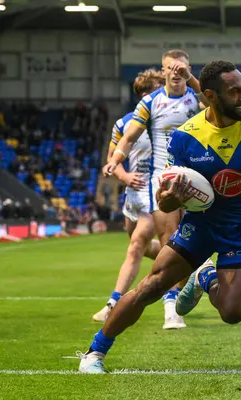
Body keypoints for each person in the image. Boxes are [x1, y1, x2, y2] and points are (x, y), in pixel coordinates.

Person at [78, 60, 241, 374]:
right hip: (199, 227)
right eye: (235, 92)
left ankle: (206, 277)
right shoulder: (185, 137)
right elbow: (164, 201)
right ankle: (94, 353)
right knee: (151, 286)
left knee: (232, 313)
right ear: (211, 97)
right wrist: (169, 200)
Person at [102, 50, 208, 329]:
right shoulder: (151, 102)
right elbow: (129, 136)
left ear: (188, 69)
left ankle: (194, 281)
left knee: (197, 243)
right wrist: (115, 160)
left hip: (199, 176)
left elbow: (218, 106)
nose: (175, 72)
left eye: (181, 68)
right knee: (170, 241)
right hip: (164, 179)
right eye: (170, 68)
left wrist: (193, 80)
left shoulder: (197, 99)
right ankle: (171, 309)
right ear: (162, 71)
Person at [92, 69, 166, 324]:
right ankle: (190, 264)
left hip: (154, 193)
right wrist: (124, 177)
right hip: (132, 195)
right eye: (159, 89)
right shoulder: (124, 124)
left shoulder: (166, 121)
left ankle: (113, 304)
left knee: (135, 247)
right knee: (143, 247)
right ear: (145, 94)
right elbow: (113, 159)